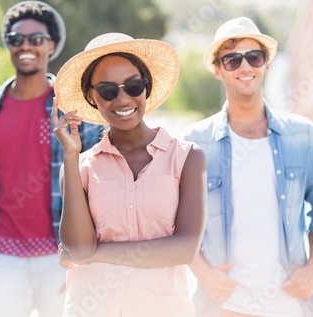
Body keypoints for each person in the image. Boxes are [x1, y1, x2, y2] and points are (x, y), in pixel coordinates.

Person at [0, 0, 102, 317]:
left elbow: (96, 184)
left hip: (62, 257)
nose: (26, 46)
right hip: (0, 257)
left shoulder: (73, 111)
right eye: (16, 39)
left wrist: (88, 258)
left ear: (51, 46)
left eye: (36, 39)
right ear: (8, 45)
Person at [181, 16, 313, 317]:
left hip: (291, 306)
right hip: (223, 306)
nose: (245, 67)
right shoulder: (194, 142)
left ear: (266, 64)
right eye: (232, 60)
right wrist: (203, 272)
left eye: (254, 57)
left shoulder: (303, 135)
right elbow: (172, 219)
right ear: (216, 69)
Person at [52, 32, 207, 317]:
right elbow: (78, 246)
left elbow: (185, 249)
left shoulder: (187, 158)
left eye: (133, 86)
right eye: (109, 90)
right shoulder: (79, 167)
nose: (123, 99)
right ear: (92, 96)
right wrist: (71, 155)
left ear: (146, 88)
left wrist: (96, 254)